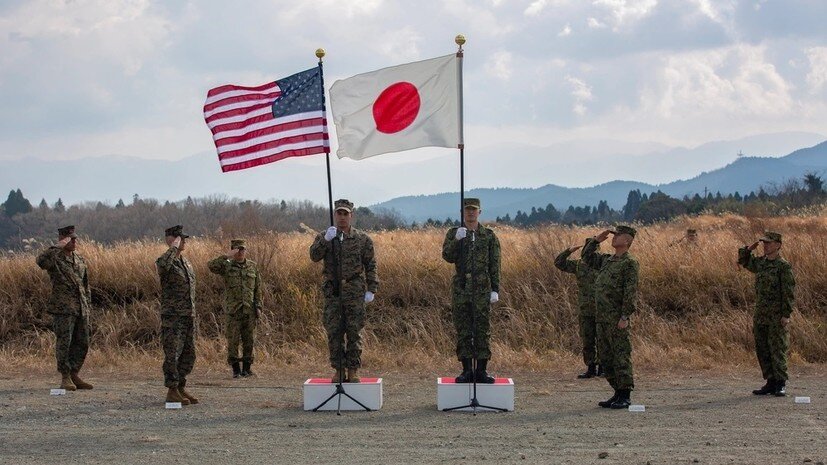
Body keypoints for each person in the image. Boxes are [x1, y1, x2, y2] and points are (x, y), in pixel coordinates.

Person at [309, 199, 378, 383]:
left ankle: (353, 369)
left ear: (351, 215)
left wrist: (372, 288)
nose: (342, 217)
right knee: (334, 331)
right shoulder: (327, 236)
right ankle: (339, 369)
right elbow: (314, 256)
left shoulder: (362, 239)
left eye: (345, 214)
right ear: (334, 215)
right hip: (333, 291)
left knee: (354, 331)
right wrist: (325, 241)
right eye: (339, 213)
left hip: (354, 289)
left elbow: (370, 264)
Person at [442, 198, 501, 384]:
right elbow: (447, 257)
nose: (470, 213)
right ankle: (467, 370)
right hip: (461, 287)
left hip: (482, 288)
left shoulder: (489, 236)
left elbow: (495, 264)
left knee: (482, 329)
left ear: (479, 212)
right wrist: (457, 241)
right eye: (467, 210)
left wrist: (495, 289)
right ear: (462, 212)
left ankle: (481, 371)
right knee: (464, 329)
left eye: (474, 210)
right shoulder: (455, 233)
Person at [582, 225, 639, 409]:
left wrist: (625, 316)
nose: (614, 238)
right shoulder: (608, 261)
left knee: (620, 355)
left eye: (618, 235)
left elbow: (630, 292)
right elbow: (587, 257)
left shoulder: (629, 263)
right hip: (602, 318)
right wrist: (596, 241)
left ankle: (625, 394)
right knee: (606, 357)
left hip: (616, 318)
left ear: (628, 240)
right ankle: (616, 392)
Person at [738, 231, 795, 397]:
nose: (765, 246)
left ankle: (780, 383)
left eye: (769, 243)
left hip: (777, 315)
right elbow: (743, 261)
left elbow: (788, 292)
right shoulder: (761, 263)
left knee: (777, 349)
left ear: (778, 245)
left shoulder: (783, 266)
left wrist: (786, 314)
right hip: (761, 314)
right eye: (764, 243)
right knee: (762, 348)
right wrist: (749, 248)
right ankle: (770, 382)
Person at [36, 225, 93, 391]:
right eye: (70, 239)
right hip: (63, 308)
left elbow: (85, 285)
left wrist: (88, 305)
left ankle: (75, 373)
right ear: (62, 239)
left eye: (75, 238)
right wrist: (56, 247)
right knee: (64, 343)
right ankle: (65, 376)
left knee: (83, 342)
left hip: (80, 307)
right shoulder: (54, 258)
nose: (74, 241)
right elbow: (40, 262)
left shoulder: (80, 259)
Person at [156, 225, 198, 405]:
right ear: (171, 239)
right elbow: (162, 265)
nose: (184, 242)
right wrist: (172, 247)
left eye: (184, 239)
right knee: (172, 354)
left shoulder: (185, 262)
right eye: (180, 238)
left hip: (187, 315)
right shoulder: (166, 262)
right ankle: (172, 390)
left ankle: (180, 386)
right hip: (173, 317)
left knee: (189, 354)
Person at [208, 239, 262, 378]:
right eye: (237, 249)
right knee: (233, 341)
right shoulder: (227, 266)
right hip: (233, 311)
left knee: (249, 340)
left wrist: (259, 306)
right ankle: (236, 370)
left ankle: (247, 369)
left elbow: (257, 289)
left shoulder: (252, 266)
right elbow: (211, 266)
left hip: (249, 310)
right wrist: (227, 255)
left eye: (242, 249)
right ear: (233, 250)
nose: (240, 252)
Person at [555, 238, 602, 379]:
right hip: (585, 308)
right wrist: (568, 251)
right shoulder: (579, 265)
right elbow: (559, 263)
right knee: (587, 340)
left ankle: (603, 367)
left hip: (602, 308)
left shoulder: (604, 264)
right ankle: (591, 368)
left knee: (602, 340)